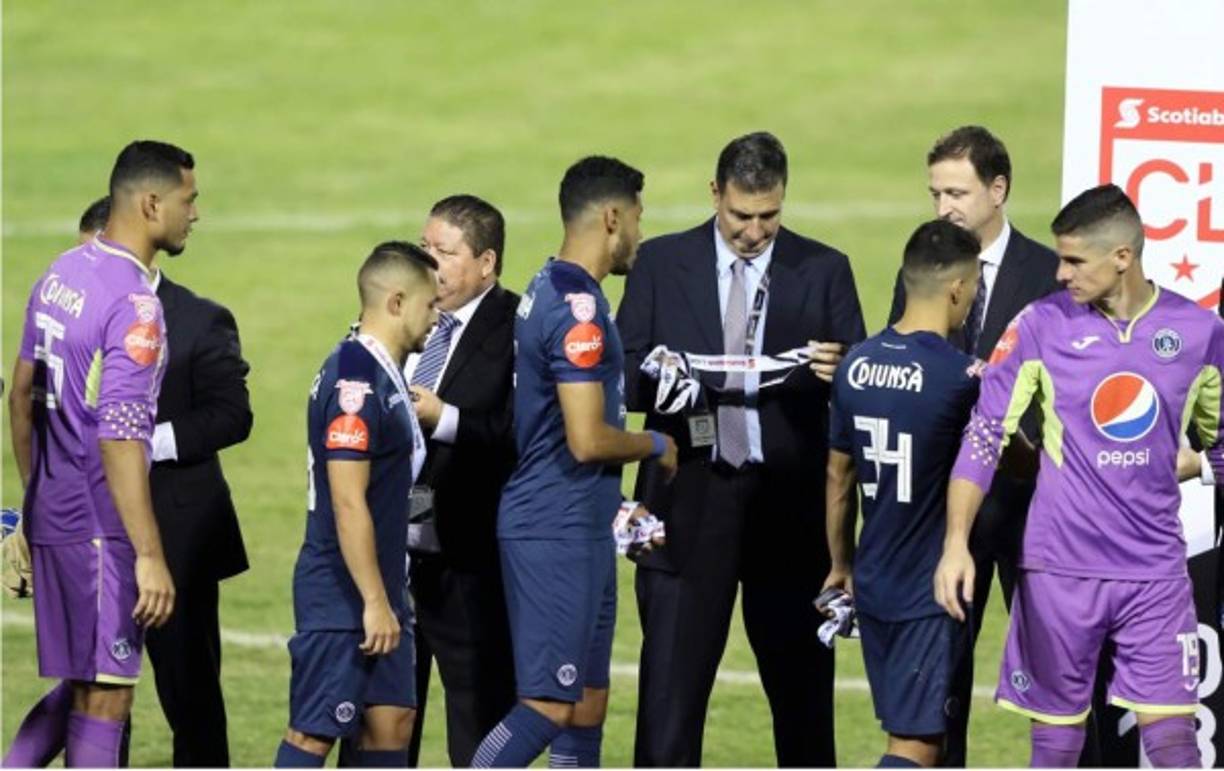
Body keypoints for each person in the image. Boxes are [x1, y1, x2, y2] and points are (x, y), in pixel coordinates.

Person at [933, 184, 1224, 768]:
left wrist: (1195, 466)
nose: (1059, 272)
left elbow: (1220, 444)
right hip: (1058, 573)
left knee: (1173, 746)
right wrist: (955, 544)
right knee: (1058, 748)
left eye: (1073, 260)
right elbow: (985, 435)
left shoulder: (1197, 333)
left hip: (1155, 575)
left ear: (1123, 257)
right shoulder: (1040, 325)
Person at [616, 131, 865, 766]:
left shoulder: (824, 268)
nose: (755, 231)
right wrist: (668, 373)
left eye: (769, 216)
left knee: (803, 701)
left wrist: (846, 371)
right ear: (714, 195)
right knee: (670, 698)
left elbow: (858, 398)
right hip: (687, 502)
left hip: (789, 511)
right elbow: (622, 375)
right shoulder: (659, 264)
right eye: (741, 216)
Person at [470, 155, 677, 768]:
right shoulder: (578, 310)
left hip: (580, 523)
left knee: (586, 702)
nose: (640, 231)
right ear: (612, 216)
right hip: (553, 528)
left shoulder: (555, 286)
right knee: (547, 706)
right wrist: (656, 445)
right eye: (638, 217)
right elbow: (587, 439)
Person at [3, 139, 193, 767]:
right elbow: (119, 435)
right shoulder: (136, 305)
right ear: (151, 202)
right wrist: (147, 554)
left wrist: (34, 509)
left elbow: (21, 391)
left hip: (57, 511)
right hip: (99, 528)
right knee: (106, 699)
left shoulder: (63, 271)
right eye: (188, 200)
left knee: (83, 685)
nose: (195, 214)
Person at [886, 126, 1060, 765]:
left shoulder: (1050, 274)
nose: (943, 209)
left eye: (956, 193)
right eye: (935, 193)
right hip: (947, 513)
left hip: (1031, 510)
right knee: (942, 683)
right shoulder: (927, 267)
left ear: (998, 189)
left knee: (1058, 673)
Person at [823, 220, 983, 768]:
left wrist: (841, 564)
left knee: (908, 736)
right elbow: (1017, 460)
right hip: (927, 591)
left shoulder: (856, 365)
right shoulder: (961, 377)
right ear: (959, 289)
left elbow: (838, 478)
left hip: (874, 579)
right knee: (915, 748)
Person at [274, 241, 439, 768]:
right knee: (314, 733)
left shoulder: (380, 371)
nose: (436, 318)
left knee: (391, 724)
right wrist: (371, 601)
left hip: (384, 583)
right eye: (430, 305)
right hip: (343, 591)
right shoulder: (354, 382)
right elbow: (347, 500)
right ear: (395, 301)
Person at [401, 195, 518, 766]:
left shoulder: (519, 328)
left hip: (472, 562)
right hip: (392, 557)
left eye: (444, 252)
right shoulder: (402, 313)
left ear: (486, 261)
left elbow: (522, 433)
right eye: (424, 247)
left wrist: (443, 417)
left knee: (477, 725)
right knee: (381, 725)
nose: (429, 263)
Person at [142, 202, 253, 765]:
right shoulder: (69, 317)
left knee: (190, 697)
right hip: (86, 532)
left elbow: (233, 415)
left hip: (178, 535)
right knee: (87, 694)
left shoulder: (197, 319)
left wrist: (142, 442)